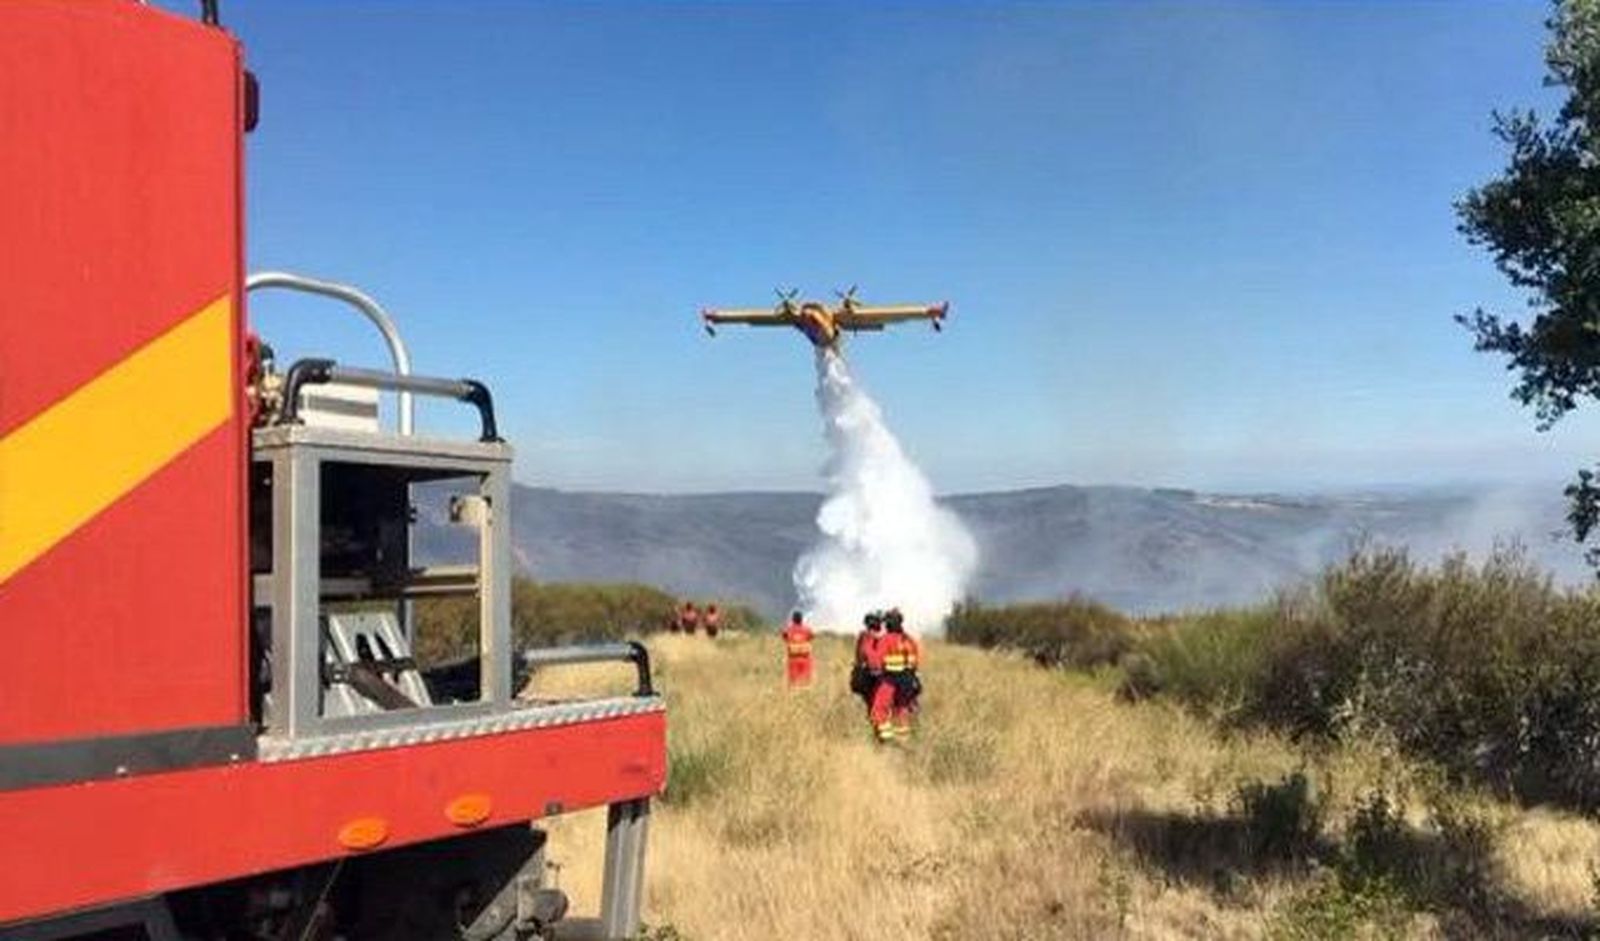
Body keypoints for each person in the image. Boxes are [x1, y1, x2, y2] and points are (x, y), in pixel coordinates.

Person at [883, 608, 922, 739]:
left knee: (884, 709)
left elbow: (877, 661)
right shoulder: (909, 639)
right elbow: (916, 662)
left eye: (886, 622)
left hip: (890, 679)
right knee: (903, 709)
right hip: (908, 680)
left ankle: (886, 741)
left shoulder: (886, 639)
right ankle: (903, 740)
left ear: (889, 623)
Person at [780, 610, 814, 689]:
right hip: (805, 658)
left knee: (793, 680)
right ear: (801, 619)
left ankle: (794, 694)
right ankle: (804, 693)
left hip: (793, 658)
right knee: (805, 679)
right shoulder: (807, 629)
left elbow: (784, 636)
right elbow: (811, 636)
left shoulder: (788, 629)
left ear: (793, 620)